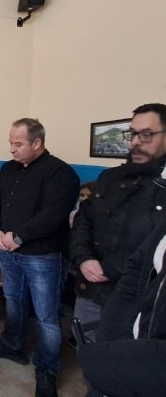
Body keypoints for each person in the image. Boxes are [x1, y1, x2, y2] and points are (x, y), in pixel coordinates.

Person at [0, 118, 79, 397]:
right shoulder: (9, 169)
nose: (12, 149)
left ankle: (47, 369)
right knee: (14, 301)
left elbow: (53, 215)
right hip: (8, 252)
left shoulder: (60, 172)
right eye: (10, 143)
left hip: (43, 256)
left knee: (46, 316)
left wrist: (18, 237)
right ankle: (13, 345)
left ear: (37, 143)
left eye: (18, 144)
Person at [70, 103, 166, 341]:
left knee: (122, 359)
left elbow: (154, 248)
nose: (135, 142)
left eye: (146, 135)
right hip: (91, 289)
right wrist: (83, 257)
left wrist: (111, 268)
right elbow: (84, 219)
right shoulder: (110, 178)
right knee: (88, 351)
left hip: (136, 301)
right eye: (132, 134)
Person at [77, 217, 166, 397]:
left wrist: (111, 362)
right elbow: (136, 269)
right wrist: (112, 342)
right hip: (126, 356)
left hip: (146, 375)